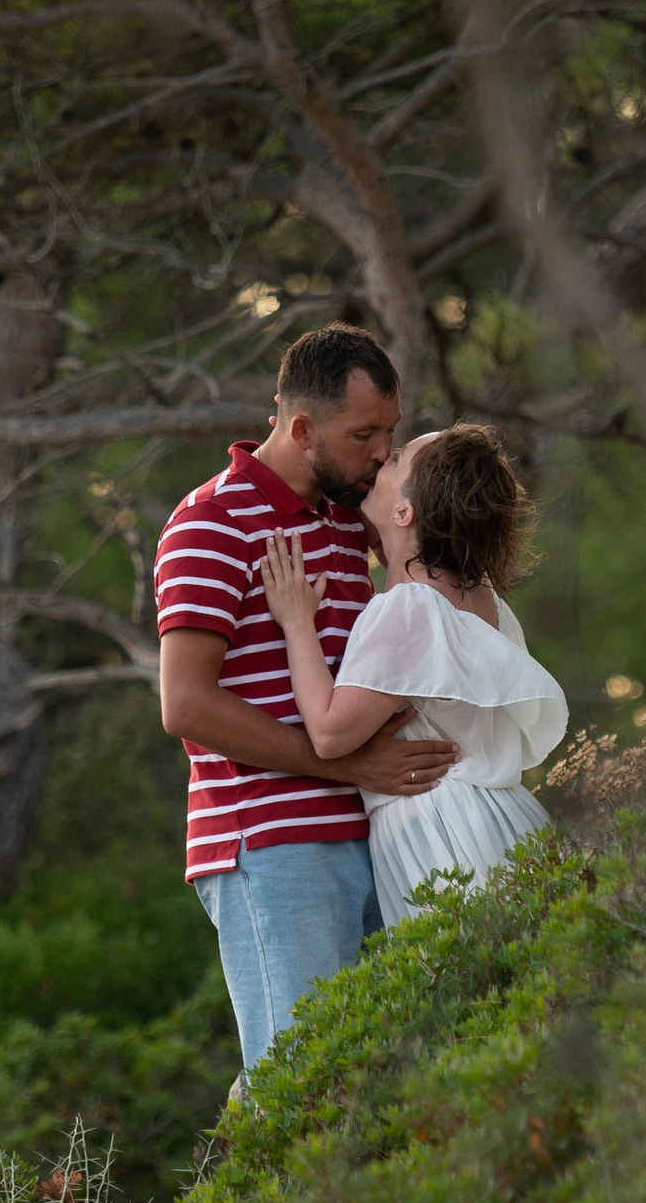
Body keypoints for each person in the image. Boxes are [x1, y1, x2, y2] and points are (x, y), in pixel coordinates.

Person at [155, 325, 460, 1077]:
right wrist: (350, 766)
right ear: (300, 429)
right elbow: (185, 705)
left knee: (379, 1080)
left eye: (389, 431)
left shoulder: (347, 516)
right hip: (273, 844)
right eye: (363, 435)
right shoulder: (209, 523)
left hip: (375, 834)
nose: (383, 452)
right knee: (303, 1078)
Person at [260, 425, 566, 926]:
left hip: (444, 834)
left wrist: (297, 623)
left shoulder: (410, 607)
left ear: (405, 512)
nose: (382, 458)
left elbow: (331, 733)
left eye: (396, 460)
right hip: (506, 820)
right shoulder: (480, 595)